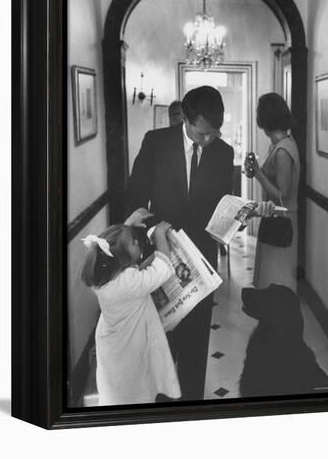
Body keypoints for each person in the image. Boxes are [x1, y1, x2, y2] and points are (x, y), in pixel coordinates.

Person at [128, 86, 234, 400]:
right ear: (185, 119)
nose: (209, 140)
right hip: (160, 254)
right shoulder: (156, 142)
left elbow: (221, 204)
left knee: (197, 337)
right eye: (202, 134)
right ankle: (160, 401)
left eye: (214, 133)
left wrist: (237, 215)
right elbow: (134, 197)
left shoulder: (223, 151)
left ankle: (191, 405)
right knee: (162, 335)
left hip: (202, 259)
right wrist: (153, 231)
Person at [81, 220, 181, 406]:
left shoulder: (103, 277)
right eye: (134, 241)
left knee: (117, 388)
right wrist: (160, 235)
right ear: (122, 259)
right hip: (130, 345)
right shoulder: (129, 282)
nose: (138, 241)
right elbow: (164, 268)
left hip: (113, 344)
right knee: (137, 386)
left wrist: (126, 226)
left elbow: (123, 260)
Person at [245, 93, 301, 292]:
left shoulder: (283, 151)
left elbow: (281, 194)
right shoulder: (279, 145)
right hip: (274, 216)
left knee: (276, 280)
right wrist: (256, 171)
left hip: (282, 220)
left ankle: (276, 320)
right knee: (270, 278)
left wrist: (258, 173)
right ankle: (271, 319)